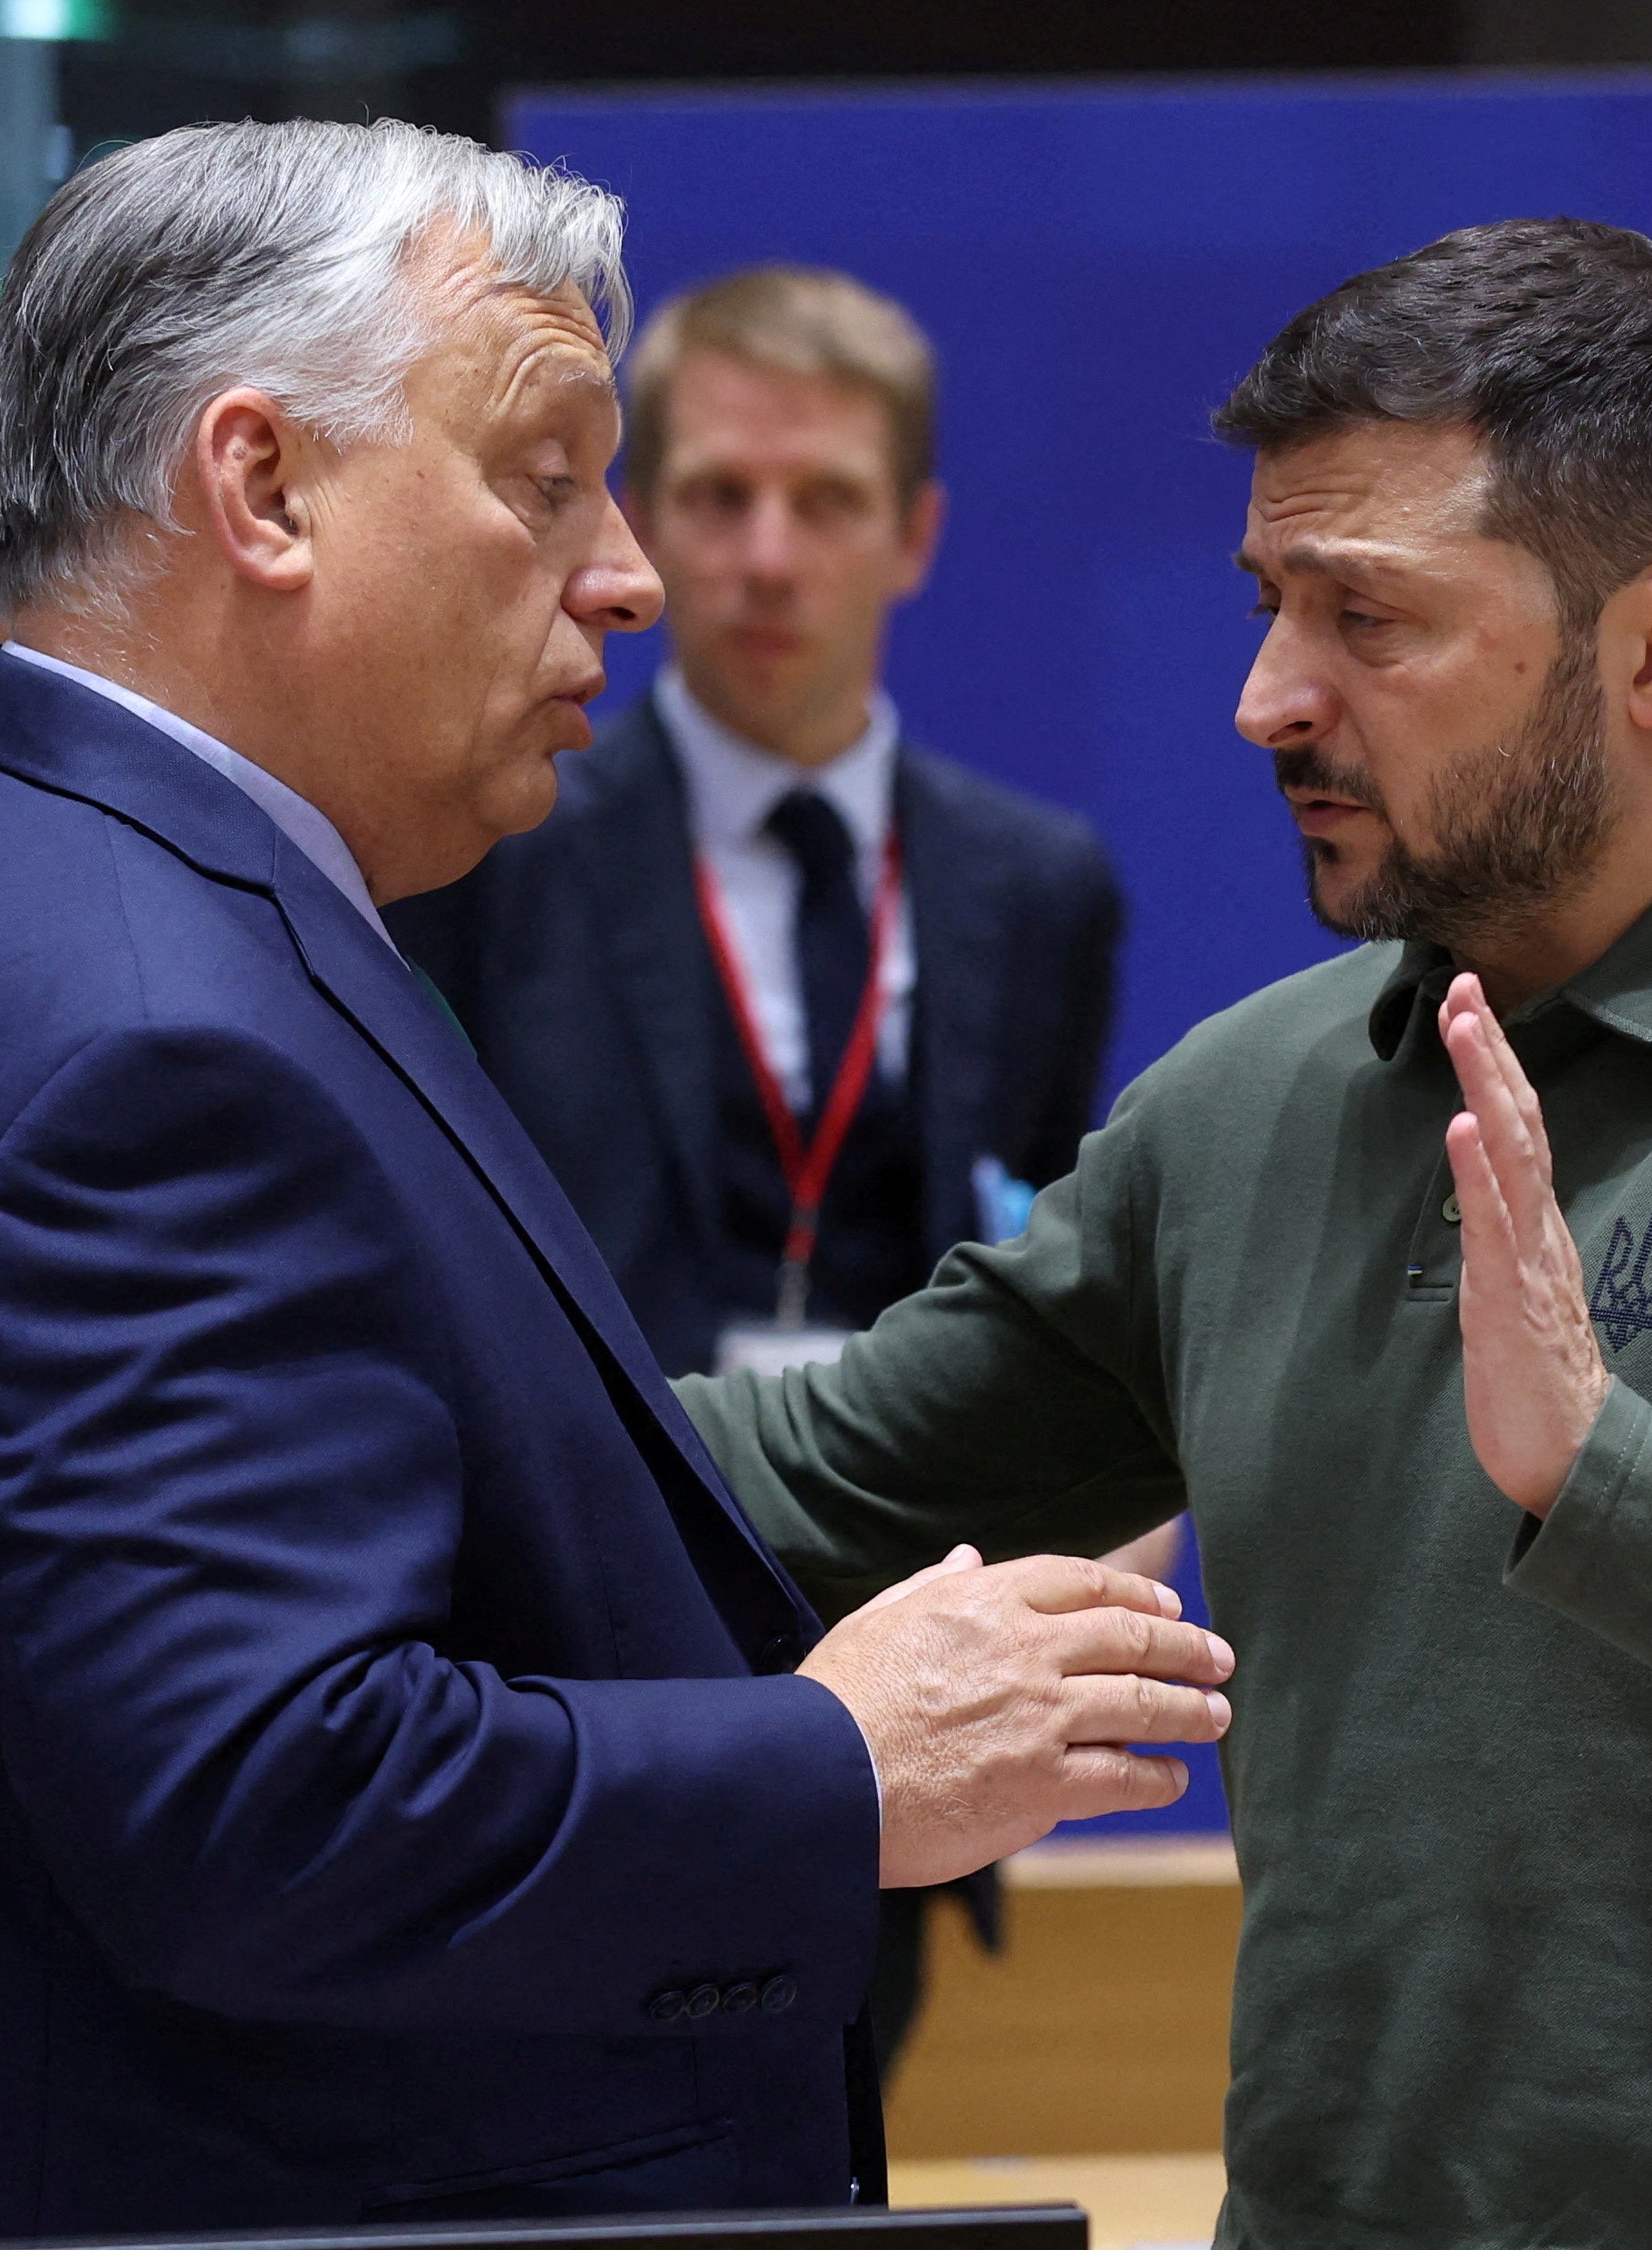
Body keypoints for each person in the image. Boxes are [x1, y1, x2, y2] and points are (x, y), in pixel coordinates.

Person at [0, 120, 1230, 2248]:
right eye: (546, 474)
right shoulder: (143, 1031)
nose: (631, 573)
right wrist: (841, 1764)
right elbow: (263, 1805)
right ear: (262, 488)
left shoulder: (13, 885)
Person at [681, 217, 1652, 2245]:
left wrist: (1609, 1479)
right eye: (1268, 604)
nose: (1266, 698)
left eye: (1367, 620)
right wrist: (331, 1382)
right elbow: (790, 1492)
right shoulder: (1247, 1106)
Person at [386, 265, 1138, 2128]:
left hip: (894, 1647)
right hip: (575, 1657)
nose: (764, 555)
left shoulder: (1033, 887)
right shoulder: (500, 843)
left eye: (825, 503)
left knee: (828, 2150)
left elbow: (1038, 1261)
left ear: (917, 536)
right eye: (715, 496)